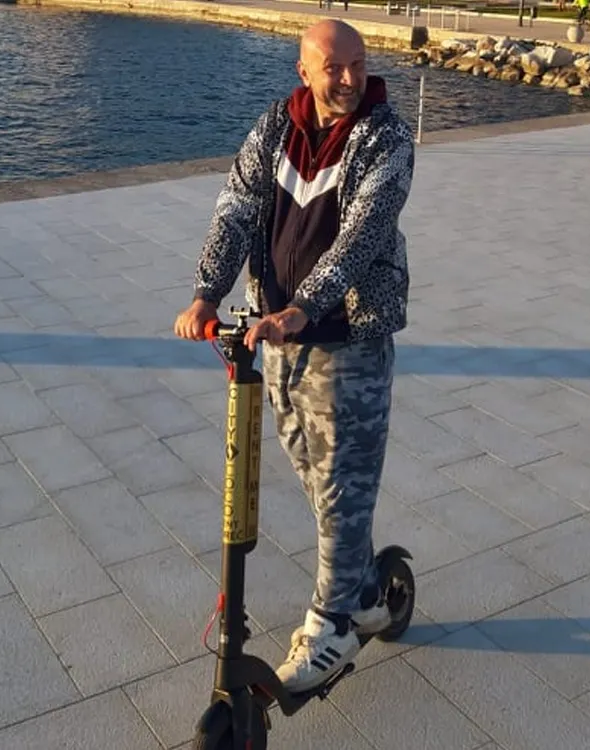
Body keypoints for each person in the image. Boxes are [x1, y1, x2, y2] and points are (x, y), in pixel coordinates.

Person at [173, 19, 415, 694]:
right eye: (334, 67)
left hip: (347, 340)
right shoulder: (275, 127)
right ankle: (363, 592)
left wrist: (306, 305)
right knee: (315, 476)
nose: (350, 77)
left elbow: (363, 235)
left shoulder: (387, 137)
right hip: (279, 338)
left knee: (341, 488)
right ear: (304, 70)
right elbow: (236, 208)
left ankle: (333, 624)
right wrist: (206, 292)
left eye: (358, 63)